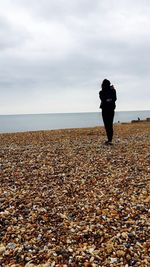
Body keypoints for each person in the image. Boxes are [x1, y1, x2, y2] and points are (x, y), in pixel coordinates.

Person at [99, 79, 117, 145]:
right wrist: (109, 99)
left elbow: (114, 98)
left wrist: (108, 99)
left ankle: (109, 139)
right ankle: (109, 139)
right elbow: (104, 99)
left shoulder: (111, 91)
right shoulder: (102, 92)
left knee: (108, 125)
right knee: (109, 125)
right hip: (109, 109)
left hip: (106, 109)